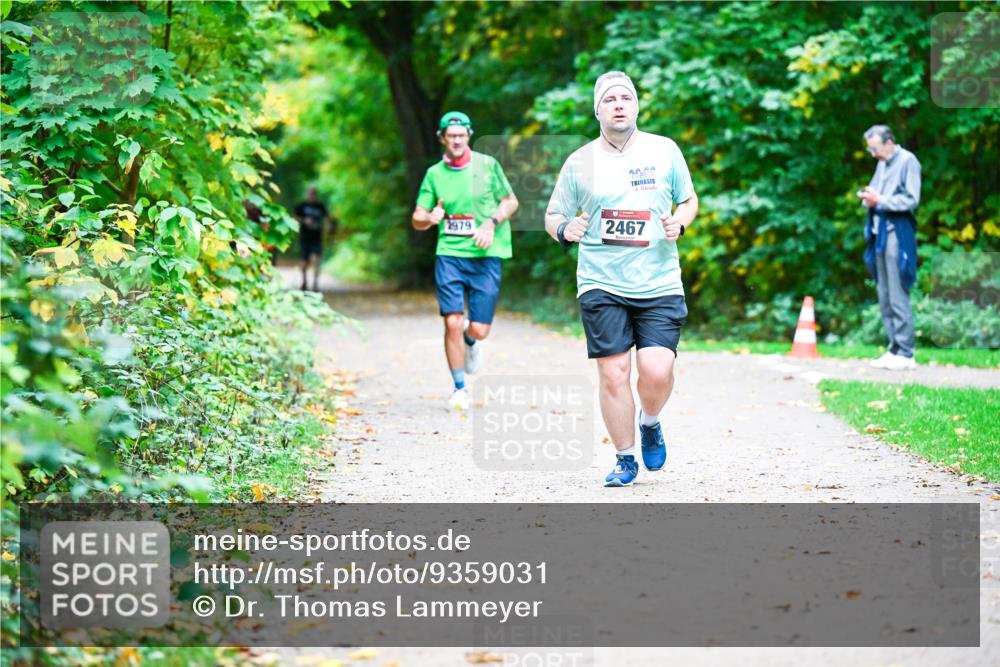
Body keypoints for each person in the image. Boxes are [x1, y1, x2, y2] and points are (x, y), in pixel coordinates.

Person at [544, 71, 698, 487]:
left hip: (658, 281)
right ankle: (625, 458)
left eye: (625, 98)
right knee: (613, 373)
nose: (618, 105)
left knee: (656, 371)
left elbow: (688, 199)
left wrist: (680, 222)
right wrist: (565, 229)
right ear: (597, 110)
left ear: (636, 106)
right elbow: (553, 215)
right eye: (609, 99)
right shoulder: (579, 162)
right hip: (601, 282)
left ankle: (650, 421)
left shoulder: (664, 150)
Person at [411, 111, 519, 410]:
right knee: (452, 321)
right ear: (442, 138)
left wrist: (491, 223)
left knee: (479, 329)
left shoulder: (488, 166)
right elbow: (417, 217)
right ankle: (459, 388)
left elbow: (510, 201)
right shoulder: (434, 174)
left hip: (485, 256)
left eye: (461, 135)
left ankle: (471, 341)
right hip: (450, 255)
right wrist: (429, 218)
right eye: (451, 136)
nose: (457, 141)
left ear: (469, 136)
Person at [858, 125, 921, 371]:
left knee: (897, 292)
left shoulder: (908, 161)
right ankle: (894, 348)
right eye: (870, 150)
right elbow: (877, 193)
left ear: (889, 142)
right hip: (879, 233)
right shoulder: (882, 163)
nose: (873, 154)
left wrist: (880, 200)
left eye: (875, 149)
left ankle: (906, 352)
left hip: (898, 232)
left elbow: (912, 199)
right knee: (884, 294)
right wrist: (869, 198)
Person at [293, 186, 336, 291]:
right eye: (310, 193)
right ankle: (304, 281)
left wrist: (328, 227)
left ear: (316, 194)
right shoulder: (301, 206)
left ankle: (315, 284)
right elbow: (294, 218)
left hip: (317, 237)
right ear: (307, 194)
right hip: (305, 237)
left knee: (316, 260)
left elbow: (327, 218)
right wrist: (304, 221)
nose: (312, 195)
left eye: (313, 193)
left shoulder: (320, 206)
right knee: (304, 262)